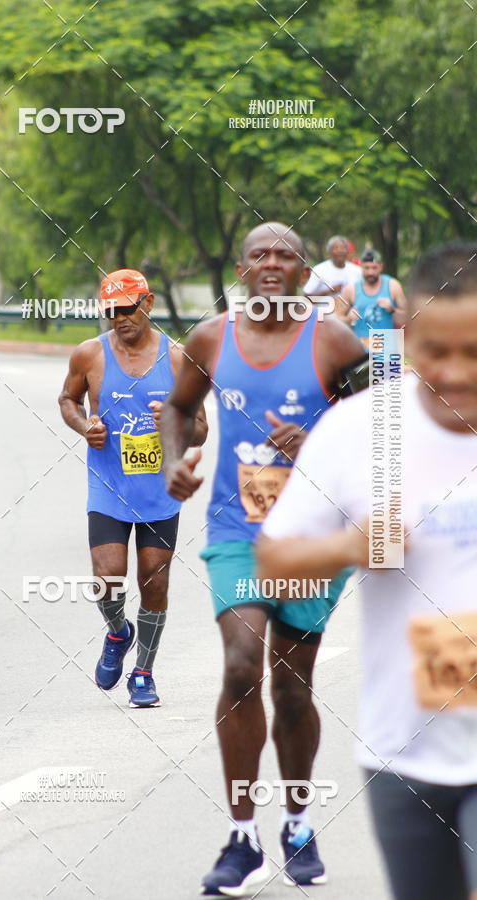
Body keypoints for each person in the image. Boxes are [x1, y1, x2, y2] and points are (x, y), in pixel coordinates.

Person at [257, 241, 477, 900]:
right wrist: (350, 547)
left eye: (475, 352)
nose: (457, 373)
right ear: (405, 337)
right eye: (436, 351)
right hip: (403, 754)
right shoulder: (359, 431)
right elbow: (273, 564)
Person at [160, 222, 366, 895]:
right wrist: (175, 461)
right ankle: (242, 834)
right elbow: (180, 409)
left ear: (305, 272)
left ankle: (299, 820)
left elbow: (380, 432)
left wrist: (317, 437)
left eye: (285, 255)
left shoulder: (334, 342)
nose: (272, 263)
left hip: (313, 536)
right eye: (260, 255)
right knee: (243, 662)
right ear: (243, 271)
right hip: (235, 530)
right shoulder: (210, 338)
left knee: (292, 687)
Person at [59, 268, 207, 708]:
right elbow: (67, 399)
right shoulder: (89, 355)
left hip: (160, 490)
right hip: (108, 483)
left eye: (127, 308)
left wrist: (175, 423)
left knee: (155, 582)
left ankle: (143, 671)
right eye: (110, 311)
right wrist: (85, 425)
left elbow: (201, 430)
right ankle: (118, 632)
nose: (119, 318)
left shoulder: (179, 359)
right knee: (107, 578)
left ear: (149, 303)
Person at [337, 249, 406, 347]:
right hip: (362, 349)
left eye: (374, 268)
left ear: (381, 267)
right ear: (361, 267)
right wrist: (349, 318)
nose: (370, 272)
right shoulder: (351, 290)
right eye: (367, 268)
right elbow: (336, 319)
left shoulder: (393, 286)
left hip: (387, 348)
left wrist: (392, 310)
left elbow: (408, 317)